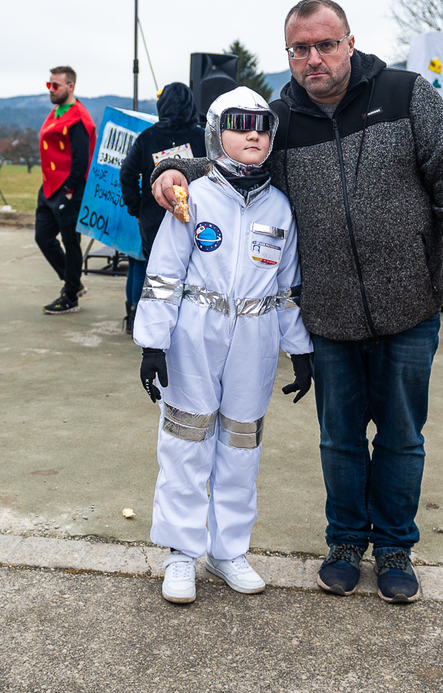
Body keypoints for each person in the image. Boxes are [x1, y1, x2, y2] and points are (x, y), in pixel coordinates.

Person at [152, 0, 443, 604]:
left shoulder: (406, 95)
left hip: (408, 303)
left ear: (350, 43)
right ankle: (345, 544)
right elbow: (231, 156)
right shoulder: (281, 119)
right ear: (289, 54)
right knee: (339, 439)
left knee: (401, 436)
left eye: (326, 45)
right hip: (328, 313)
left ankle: (394, 548)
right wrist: (171, 171)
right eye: (300, 49)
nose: (314, 58)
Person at [135, 88, 313, 604]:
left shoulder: (281, 207)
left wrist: (300, 350)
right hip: (194, 332)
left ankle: (228, 549)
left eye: (261, 126)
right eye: (239, 125)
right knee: (186, 442)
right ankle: (181, 553)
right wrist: (152, 342)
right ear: (216, 134)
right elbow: (164, 274)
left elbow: (287, 287)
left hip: (255, 338)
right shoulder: (192, 198)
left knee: (241, 446)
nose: (252, 135)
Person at [119, 82, 206, 334]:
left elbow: (126, 173)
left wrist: (136, 209)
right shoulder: (203, 137)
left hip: (153, 219)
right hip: (194, 218)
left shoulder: (147, 137)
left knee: (154, 273)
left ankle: (147, 323)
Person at [35, 66, 96, 315]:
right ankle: (73, 282)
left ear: (70, 87)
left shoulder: (78, 117)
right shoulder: (56, 112)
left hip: (68, 188)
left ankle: (70, 296)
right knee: (43, 237)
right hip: (49, 186)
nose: (51, 89)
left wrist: (70, 189)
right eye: (49, 84)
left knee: (71, 242)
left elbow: (81, 158)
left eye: (56, 85)